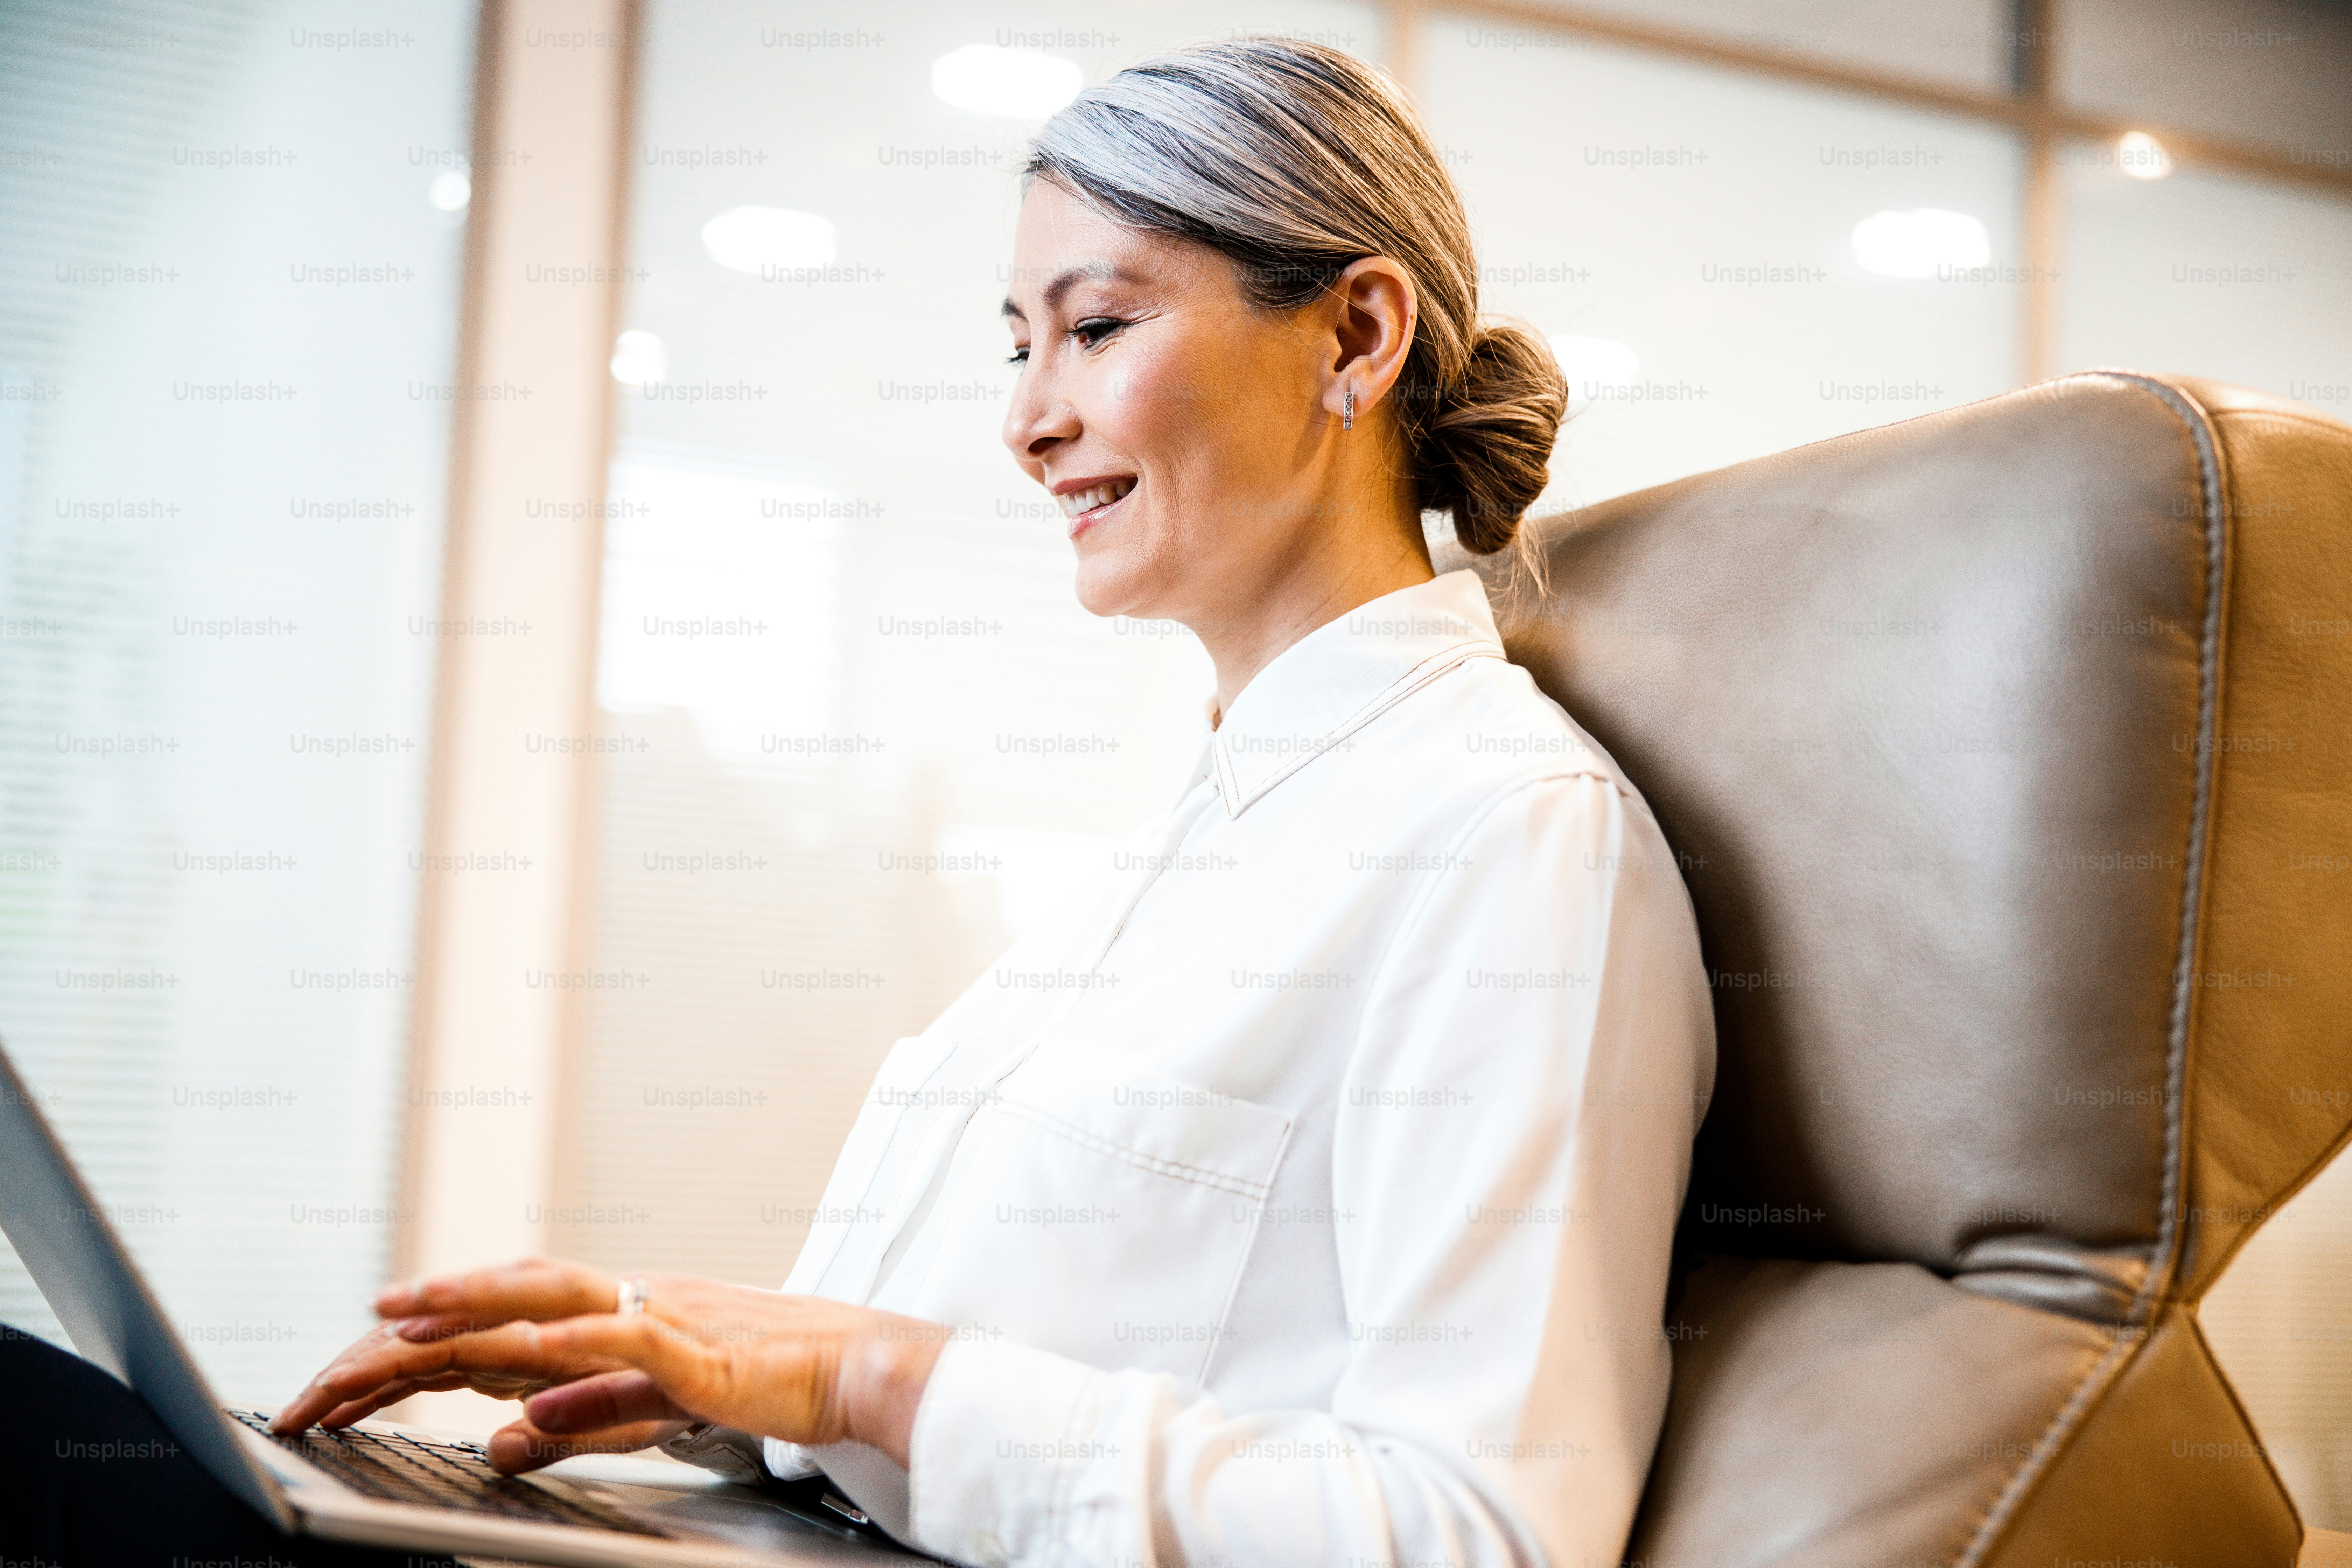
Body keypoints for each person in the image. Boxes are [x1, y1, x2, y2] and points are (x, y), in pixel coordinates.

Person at [38, 36, 1717, 1568]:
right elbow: (1027, 1378)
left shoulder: (1510, 841)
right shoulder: (1204, 826)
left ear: (1356, 336)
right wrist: (715, 1370)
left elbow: (1482, 1532)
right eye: (1019, 343)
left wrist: (865, 1374)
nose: (1028, 417)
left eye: (1098, 326)